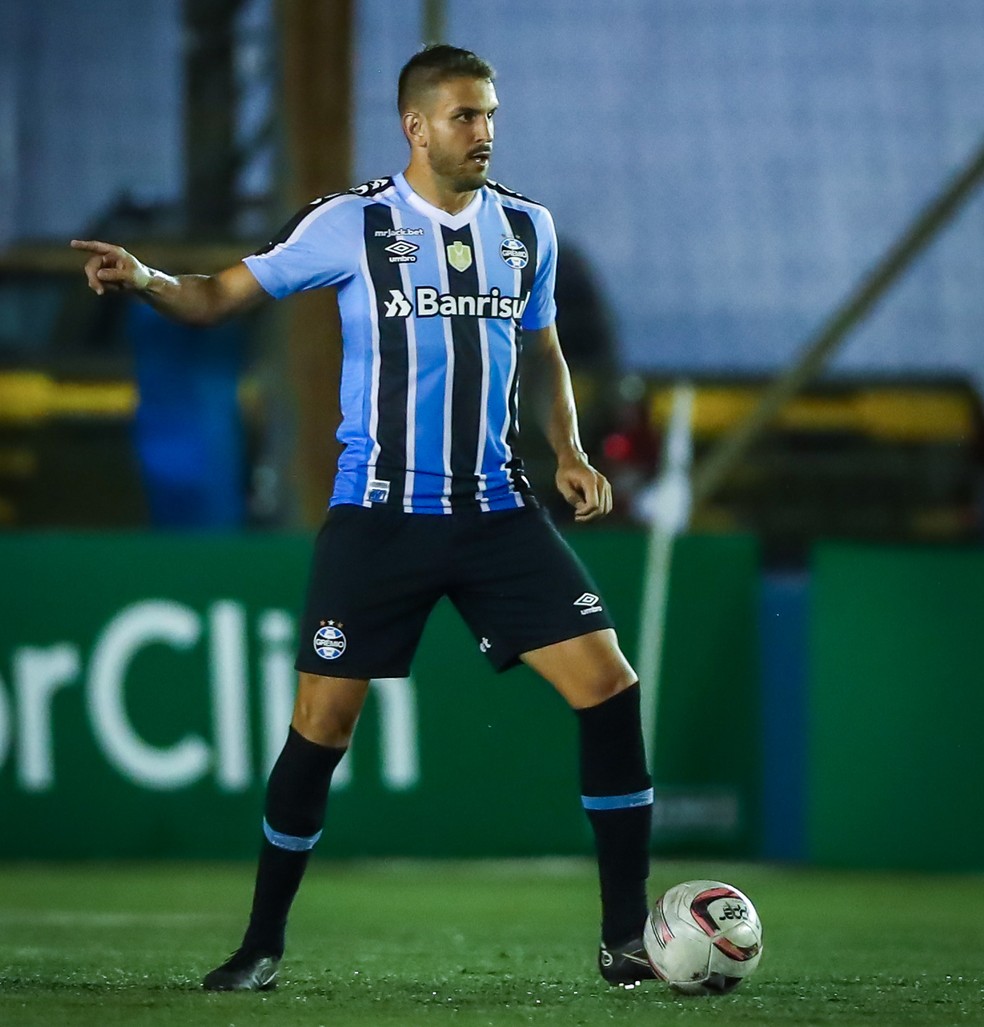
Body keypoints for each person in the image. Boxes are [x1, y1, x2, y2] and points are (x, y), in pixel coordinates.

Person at [71, 44, 655, 991]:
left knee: (610, 687)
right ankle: (261, 943)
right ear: (416, 126)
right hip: (379, 516)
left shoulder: (527, 231)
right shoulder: (352, 224)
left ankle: (625, 939)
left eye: (492, 114)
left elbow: (543, 349)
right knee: (321, 725)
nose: (485, 133)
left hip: (498, 512)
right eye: (466, 116)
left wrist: (572, 449)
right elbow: (220, 296)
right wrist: (145, 277)